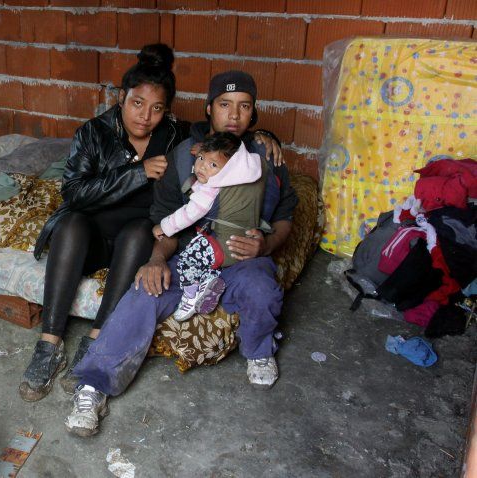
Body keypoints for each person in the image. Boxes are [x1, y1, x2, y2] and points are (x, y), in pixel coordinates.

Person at [64, 70, 298, 436]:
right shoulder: (185, 157)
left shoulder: (266, 156)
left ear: (254, 113)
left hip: (241, 259)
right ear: (209, 108)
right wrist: (157, 259)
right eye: (224, 105)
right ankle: (94, 384)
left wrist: (266, 245)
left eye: (244, 106)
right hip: (190, 258)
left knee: (262, 289)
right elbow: (165, 221)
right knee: (143, 292)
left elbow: (284, 216)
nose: (233, 115)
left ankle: (260, 351)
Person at [18, 43, 189, 402]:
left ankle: (97, 339)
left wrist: (263, 138)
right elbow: (74, 193)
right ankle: (49, 344)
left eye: (157, 108)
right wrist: (138, 172)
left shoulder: (175, 136)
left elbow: (223, 135)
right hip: (90, 241)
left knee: (140, 230)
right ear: (121, 97)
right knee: (70, 224)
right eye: (137, 103)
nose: (145, 116)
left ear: (167, 110)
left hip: (134, 246)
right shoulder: (94, 132)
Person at [152, 132, 266, 320]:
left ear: (229, 168)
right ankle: (208, 283)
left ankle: (190, 296)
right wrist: (210, 157)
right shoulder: (245, 171)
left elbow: (189, 214)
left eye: (213, 165)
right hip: (237, 245)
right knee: (203, 260)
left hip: (222, 245)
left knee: (188, 259)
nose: (202, 166)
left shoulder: (212, 188)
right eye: (200, 159)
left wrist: (163, 227)